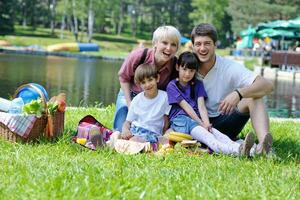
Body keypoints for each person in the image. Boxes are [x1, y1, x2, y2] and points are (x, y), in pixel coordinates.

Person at [191, 23, 274, 155]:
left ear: (215, 44)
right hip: (195, 125)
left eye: (207, 43)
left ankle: (265, 147)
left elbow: (268, 86)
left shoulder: (228, 67)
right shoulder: (186, 66)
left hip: (224, 122)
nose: (202, 48)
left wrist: (239, 93)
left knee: (253, 97)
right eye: (198, 44)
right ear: (193, 46)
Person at [166, 51, 255, 156]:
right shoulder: (172, 86)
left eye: (191, 70)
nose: (187, 74)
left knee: (219, 135)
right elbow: (187, 107)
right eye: (184, 69)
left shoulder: (198, 84)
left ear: (195, 71)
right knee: (209, 138)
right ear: (177, 67)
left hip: (197, 121)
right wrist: (201, 123)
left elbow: (201, 106)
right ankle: (238, 152)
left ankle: (253, 151)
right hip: (182, 121)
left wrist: (207, 124)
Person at [113, 25, 181, 132]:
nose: (168, 48)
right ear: (155, 43)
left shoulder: (176, 65)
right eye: (164, 43)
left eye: (173, 45)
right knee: (120, 130)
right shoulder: (139, 55)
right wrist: (129, 102)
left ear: (177, 48)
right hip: (131, 94)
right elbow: (123, 77)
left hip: (155, 100)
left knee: (153, 131)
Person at [120, 64, 170, 144]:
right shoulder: (136, 100)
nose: (147, 85)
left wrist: (164, 136)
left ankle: (129, 143)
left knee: (137, 140)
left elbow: (166, 121)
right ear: (139, 85)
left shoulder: (165, 97)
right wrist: (125, 130)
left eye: (150, 80)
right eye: (143, 82)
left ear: (157, 78)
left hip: (153, 133)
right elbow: (128, 122)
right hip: (135, 130)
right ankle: (110, 139)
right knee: (119, 135)